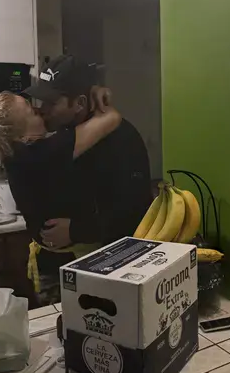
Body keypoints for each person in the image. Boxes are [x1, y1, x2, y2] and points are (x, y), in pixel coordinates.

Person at [0, 88, 119, 303]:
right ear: (22, 135)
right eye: (31, 111)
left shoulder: (14, 153)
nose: (39, 110)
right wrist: (97, 94)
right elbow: (111, 118)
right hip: (66, 266)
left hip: (51, 258)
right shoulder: (42, 152)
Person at [23, 55, 153, 250]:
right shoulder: (66, 132)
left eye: (51, 102)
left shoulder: (120, 140)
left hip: (116, 258)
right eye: (42, 101)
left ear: (80, 104)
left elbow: (134, 211)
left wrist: (76, 230)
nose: (43, 109)